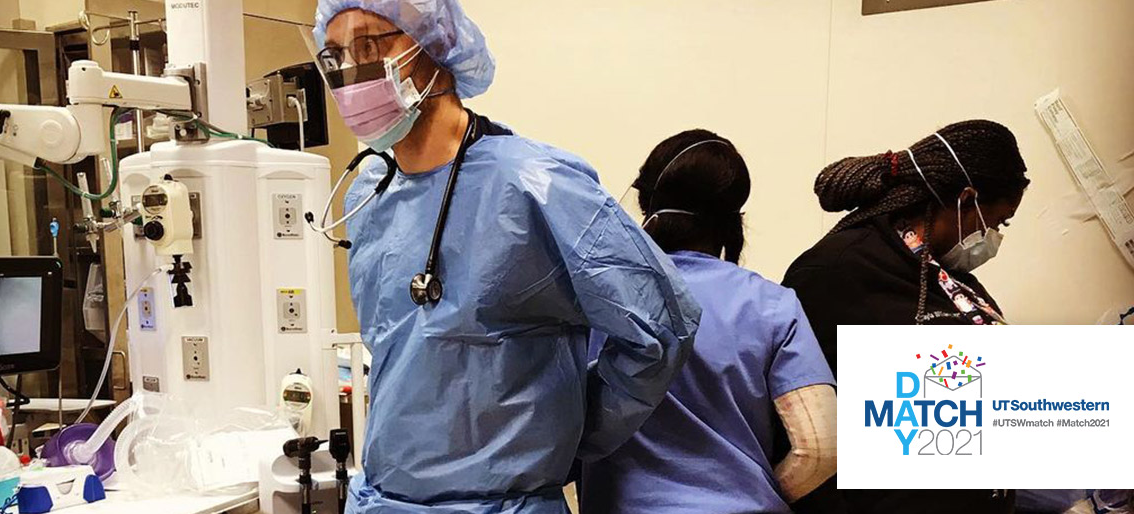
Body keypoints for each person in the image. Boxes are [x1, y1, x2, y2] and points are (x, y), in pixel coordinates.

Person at [311, 1, 701, 512]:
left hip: (505, 503)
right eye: (335, 55)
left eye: (370, 45)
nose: (350, 73)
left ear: (436, 44)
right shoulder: (369, 194)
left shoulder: (537, 185)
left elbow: (660, 326)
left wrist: (571, 430)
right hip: (385, 500)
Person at [580, 130, 837, 514]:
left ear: (645, 203)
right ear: (733, 220)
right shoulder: (770, 304)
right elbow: (821, 447)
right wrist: (755, 494)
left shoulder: (595, 299)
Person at [782, 119, 1031, 514]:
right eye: (997, 222)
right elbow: (813, 428)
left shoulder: (949, 278)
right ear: (967, 200)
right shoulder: (836, 271)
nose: (995, 235)